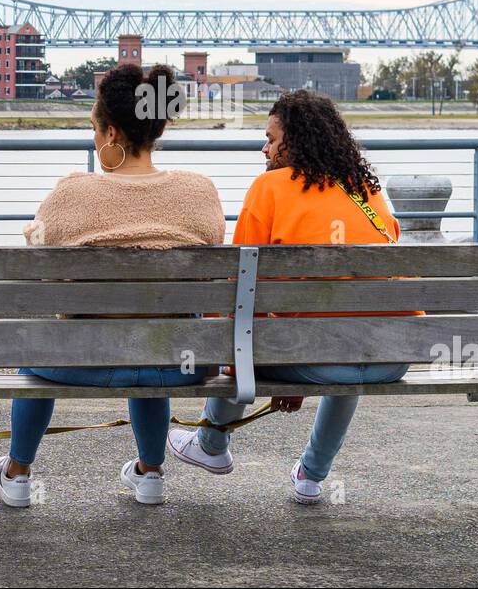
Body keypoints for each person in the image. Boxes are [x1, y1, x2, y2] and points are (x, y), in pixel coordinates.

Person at [0, 62, 225, 508]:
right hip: (178, 361)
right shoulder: (200, 192)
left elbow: (39, 266)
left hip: (82, 360)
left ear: (112, 133)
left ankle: (18, 475)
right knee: (154, 339)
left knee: (35, 358)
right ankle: (150, 473)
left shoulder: (72, 193)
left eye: (95, 130)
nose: (95, 140)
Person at [168, 89, 409, 504]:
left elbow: (238, 289)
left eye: (271, 139)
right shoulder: (364, 189)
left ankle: (211, 444)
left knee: (238, 332)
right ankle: (312, 477)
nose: (264, 148)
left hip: (315, 356)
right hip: (391, 355)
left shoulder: (269, 188)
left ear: (292, 143)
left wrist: (282, 365)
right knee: (351, 336)